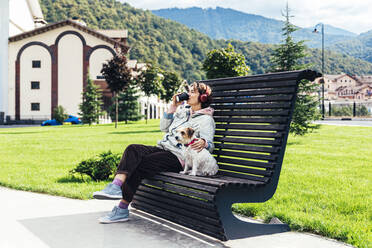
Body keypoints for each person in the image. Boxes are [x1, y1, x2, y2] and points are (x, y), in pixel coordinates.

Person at [93, 82, 215, 223]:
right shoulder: (182, 112)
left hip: (178, 157)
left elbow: (209, 145)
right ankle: (115, 186)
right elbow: (163, 127)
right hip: (163, 148)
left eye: (193, 92)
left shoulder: (206, 119)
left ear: (203, 98)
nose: (188, 94)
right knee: (133, 149)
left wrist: (205, 143)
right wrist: (173, 107)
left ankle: (121, 209)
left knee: (140, 164)